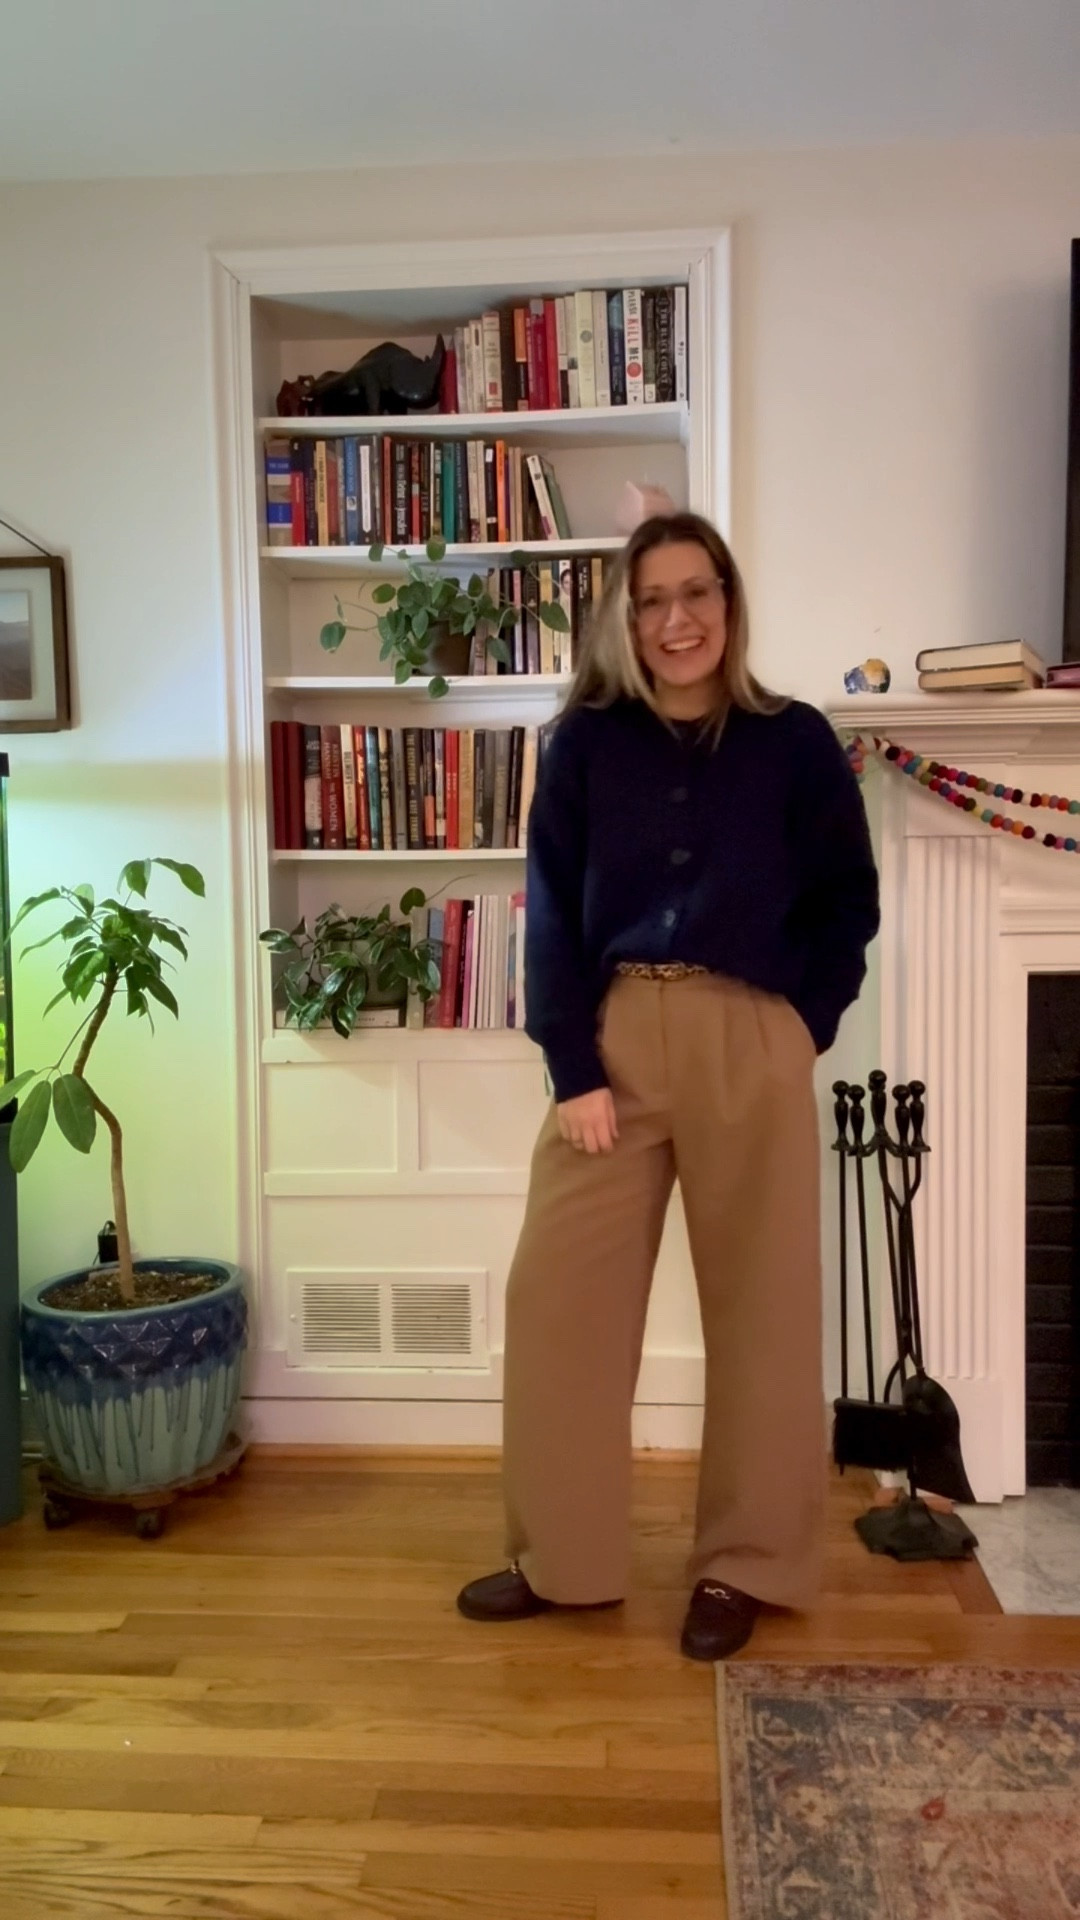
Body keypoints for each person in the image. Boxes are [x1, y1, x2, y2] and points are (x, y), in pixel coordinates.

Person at [457, 510, 880, 1660]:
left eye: (697, 594)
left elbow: (849, 899)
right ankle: (565, 1559)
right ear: (627, 621)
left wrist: (802, 1024)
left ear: (728, 605)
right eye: (653, 601)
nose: (677, 619)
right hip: (617, 1039)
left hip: (752, 1033)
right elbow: (548, 910)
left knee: (765, 1316)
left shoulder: (793, 742)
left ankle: (744, 1567)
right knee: (561, 1305)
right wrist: (573, 1065)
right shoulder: (586, 742)